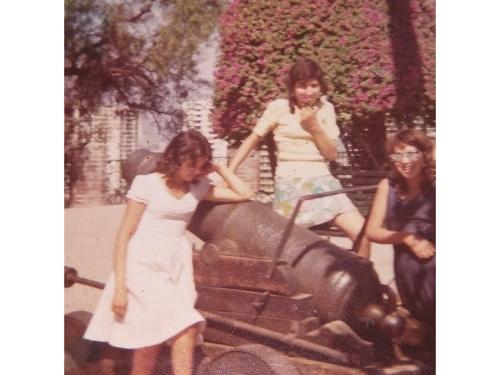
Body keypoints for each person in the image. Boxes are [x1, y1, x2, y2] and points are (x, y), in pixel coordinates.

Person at [83, 130, 253, 375]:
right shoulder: (147, 184)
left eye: (200, 165)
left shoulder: (198, 187)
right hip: (141, 264)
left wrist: (218, 168)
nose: (195, 171)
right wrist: (120, 287)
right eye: (191, 164)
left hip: (175, 265)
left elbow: (245, 193)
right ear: (177, 157)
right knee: (185, 327)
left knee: (154, 333)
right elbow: (124, 236)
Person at [228, 57, 370, 256]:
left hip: (323, 181)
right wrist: (229, 171)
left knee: (363, 234)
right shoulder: (279, 107)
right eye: (302, 86)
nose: (308, 92)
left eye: (314, 85)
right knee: (294, 248)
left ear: (321, 87)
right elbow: (253, 139)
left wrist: (314, 126)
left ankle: (362, 282)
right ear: (292, 88)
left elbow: (330, 155)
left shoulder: (326, 109)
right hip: (291, 181)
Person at [365, 129, 435, 328]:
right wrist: (407, 238)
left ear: (424, 155)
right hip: (409, 277)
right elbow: (373, 231)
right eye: (398, 155)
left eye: (412, 153)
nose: (406, 161)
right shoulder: (388, 187)